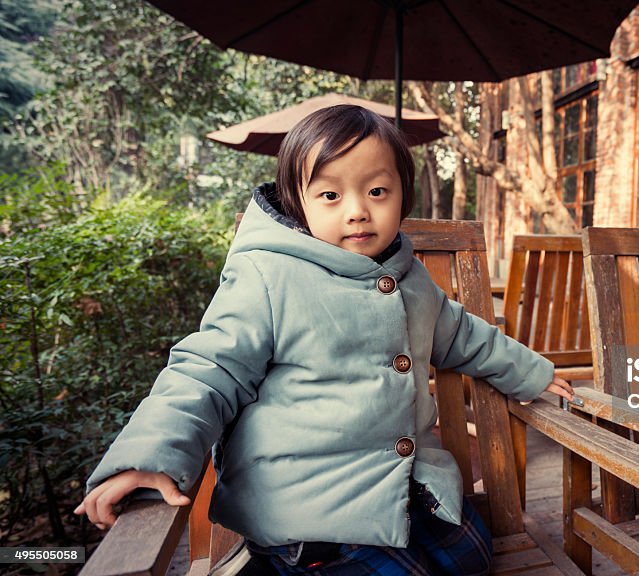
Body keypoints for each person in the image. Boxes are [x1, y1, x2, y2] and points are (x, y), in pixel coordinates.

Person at [75, 105, 574, 575]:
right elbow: (208, 370)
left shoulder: (410, 277)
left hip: (405, 485)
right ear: (299, 202)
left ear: (403, 193)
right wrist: (149, 457)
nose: (357, 212)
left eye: (377, 191)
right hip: (307, 506)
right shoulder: (269, 275)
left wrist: (534, 375)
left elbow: (465, 335)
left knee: (472, 556)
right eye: (331, 195)